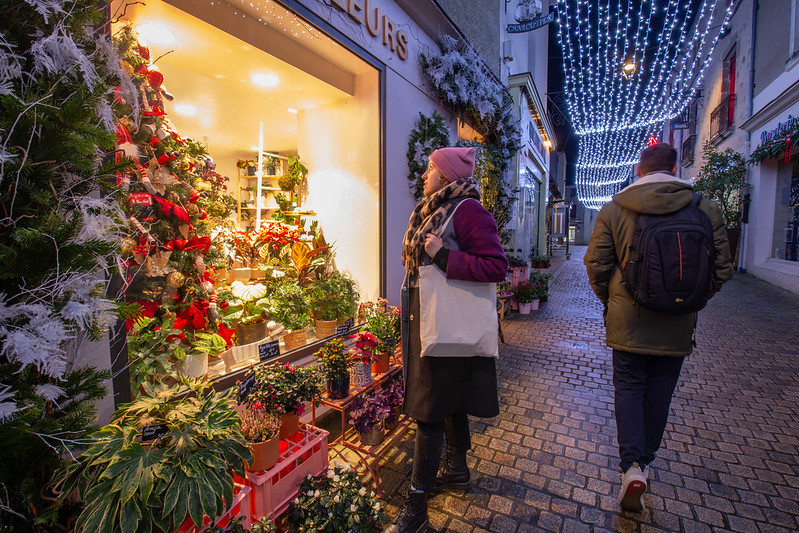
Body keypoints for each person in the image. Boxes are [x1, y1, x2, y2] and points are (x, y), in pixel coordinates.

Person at [584, 142, 734, 512]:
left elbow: (597, 266)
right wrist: (691, 300)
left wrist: (613, 301)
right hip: (678, 322)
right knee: (660, 392)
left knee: (630, 389)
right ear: (677, 168)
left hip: (628, 319)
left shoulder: (616, 209)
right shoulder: (704, 208)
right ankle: (645, 462)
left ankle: (631, 467)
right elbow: (722, 269)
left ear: (639, 170)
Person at [384, 147, 508, 533]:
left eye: (430, 168)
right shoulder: (434, 210)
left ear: (446, 175)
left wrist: (442, 258)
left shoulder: (467, 211)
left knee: (428, 411)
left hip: (444, 323)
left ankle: (416, 509)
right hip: (433, 323)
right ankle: (456, 469)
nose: (424, 175)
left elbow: (497, 266)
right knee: (447, 398)